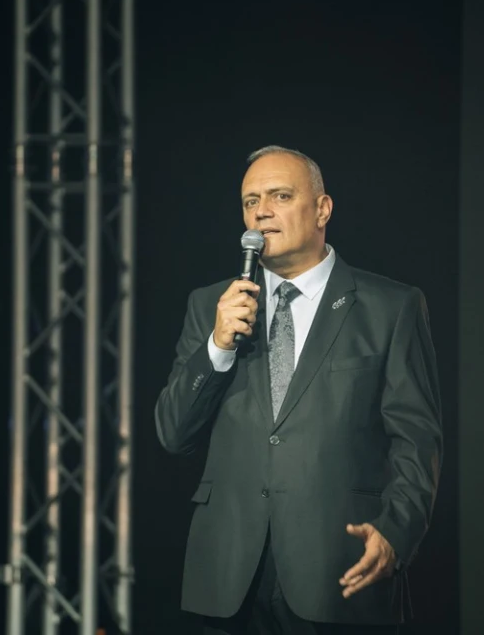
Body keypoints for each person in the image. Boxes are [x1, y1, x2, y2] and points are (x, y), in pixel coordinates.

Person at [154, 145, 442, 635]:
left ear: (322, 209)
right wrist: (218, 346)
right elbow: (173, 433)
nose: (261, 211)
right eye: (250, 201)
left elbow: (417, 440)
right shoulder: (212, 307)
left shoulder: (390, 308)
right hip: (229, 576)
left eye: (280, 196)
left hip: (340, 567)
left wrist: (397, 532)